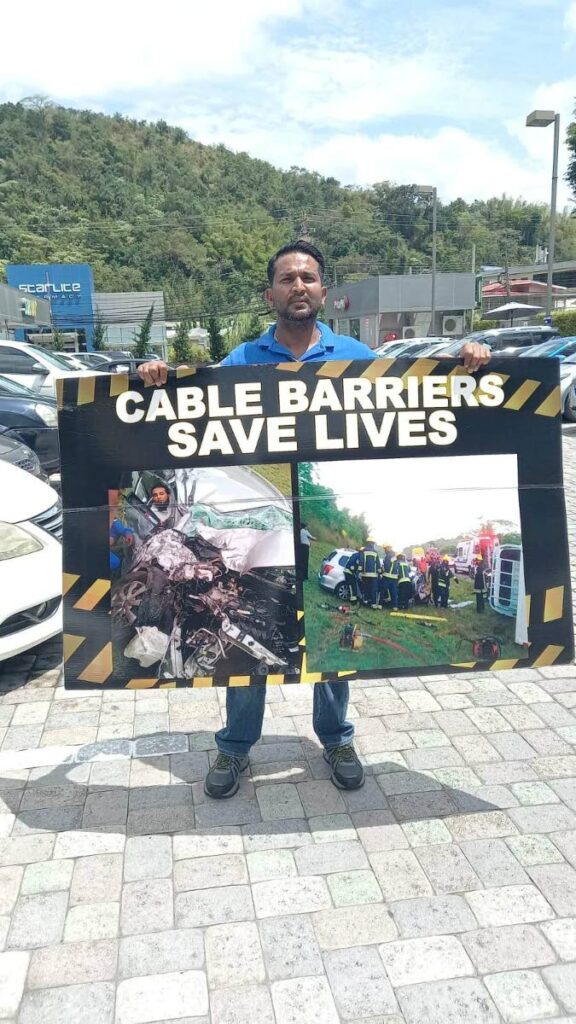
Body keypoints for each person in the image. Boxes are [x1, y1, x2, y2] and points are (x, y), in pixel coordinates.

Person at [138, 239, 491, 800]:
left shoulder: (354, 354)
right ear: (270, 293)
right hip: (265, 522)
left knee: (330, 635)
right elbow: (187, 402)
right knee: (250, 627)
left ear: (324, 290)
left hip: (320, 513)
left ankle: (336, 738)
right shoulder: (242, 361)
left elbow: (419, 395)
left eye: (308, 278)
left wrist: (464, 359)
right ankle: (234, 746)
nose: (298, 286)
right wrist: (157, 374)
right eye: (287, 278)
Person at [358, 537, 380, 609]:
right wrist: (379, 572)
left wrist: (360, 571)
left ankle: (366, 601)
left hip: (365, 574)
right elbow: (378, 563)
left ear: (367, 543)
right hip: (374, 575)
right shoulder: (375, 552)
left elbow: (361, 561)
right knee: (373, 589)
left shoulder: (363, 550)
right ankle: (373, 604)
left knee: (366, 588)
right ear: (373, 543)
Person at [379, 544, 399, 610]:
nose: (384, 550)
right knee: (394, 592)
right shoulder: (395, 555)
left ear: (388, 548)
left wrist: (381, 570)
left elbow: (387, 567)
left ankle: (380, 605)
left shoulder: (388, 556)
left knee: (382, 590)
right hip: (394, 577)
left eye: (385, 549)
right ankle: (395, 606)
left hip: (387, 576)